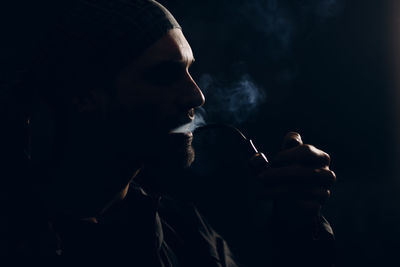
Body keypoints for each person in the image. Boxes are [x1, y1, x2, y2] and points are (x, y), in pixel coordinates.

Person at [5, 0, 336, 266]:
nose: (197, 96)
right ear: (84, 96)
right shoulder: (16, 235)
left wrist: (298, 229)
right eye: (165, 75)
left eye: (190, 71)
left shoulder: (188, 234)